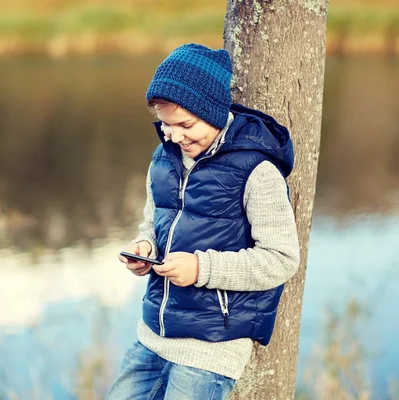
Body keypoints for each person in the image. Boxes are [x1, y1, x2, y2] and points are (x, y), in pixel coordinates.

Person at [105, 43, 300, 400]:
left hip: (211, 347)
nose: (174, 135)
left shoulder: (257, 172)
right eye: (165, 125)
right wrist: (145, 248)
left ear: (211, 111)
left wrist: (200, 268)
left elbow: (282, 259)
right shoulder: (163, 160)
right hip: (153, 335)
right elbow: (154, 224)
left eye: (185, 125)